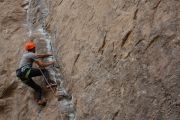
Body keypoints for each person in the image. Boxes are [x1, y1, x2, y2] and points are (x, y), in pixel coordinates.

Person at [16, 40, 56, 105]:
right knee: (45, 71)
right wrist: (51, 63)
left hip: (21, 75)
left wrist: (47, 55)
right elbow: (41, 65)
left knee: (38, 88)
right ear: (32, 48)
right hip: (25, 71)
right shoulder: (31, 54)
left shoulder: (27, 54)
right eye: (34, 47)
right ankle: (48, 83)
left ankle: (39, 100)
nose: (35, 48)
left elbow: (39, 56)